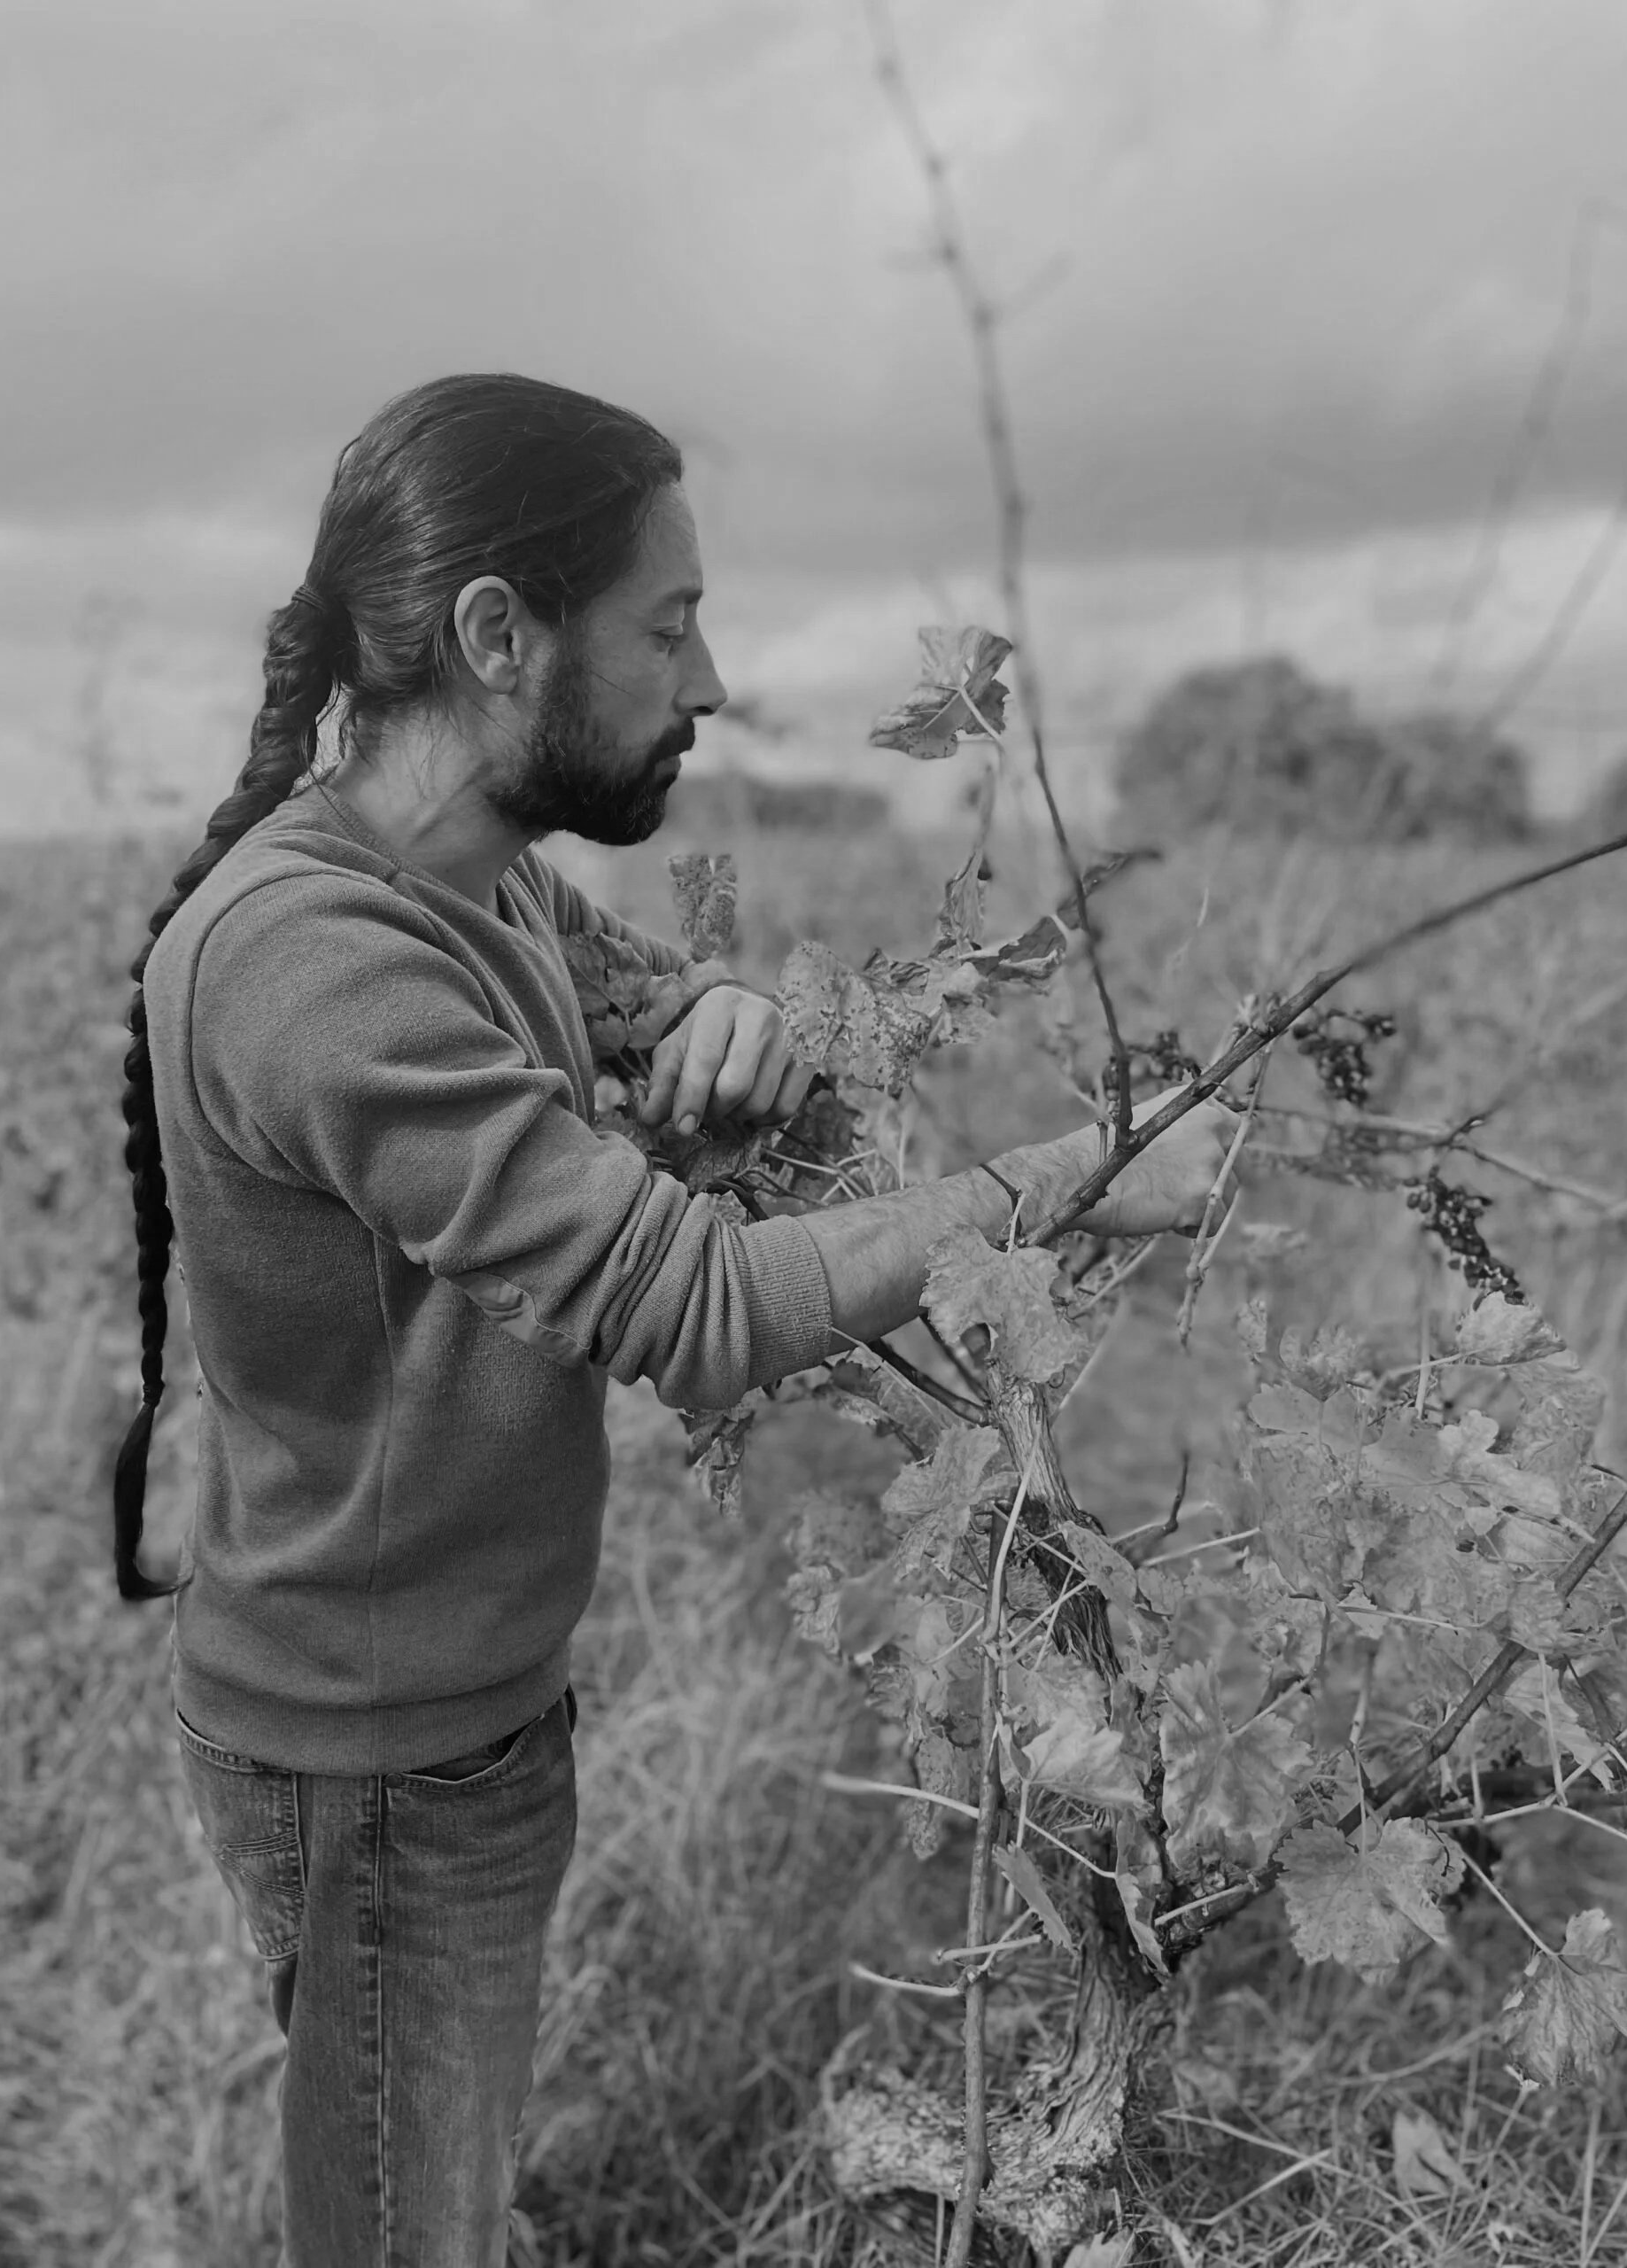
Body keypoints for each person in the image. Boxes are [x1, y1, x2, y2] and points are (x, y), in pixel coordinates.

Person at [115, 372, 1236, 2267]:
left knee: (426, 2178)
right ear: (496, 634)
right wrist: (1087, 1171)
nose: (710, 676)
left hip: (449, 1716)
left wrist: (725, 1011)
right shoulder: (309, 961)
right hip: (372, 1760)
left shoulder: (483, 883)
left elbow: (637, 1007)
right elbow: (702, 1305)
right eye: (669, 620)